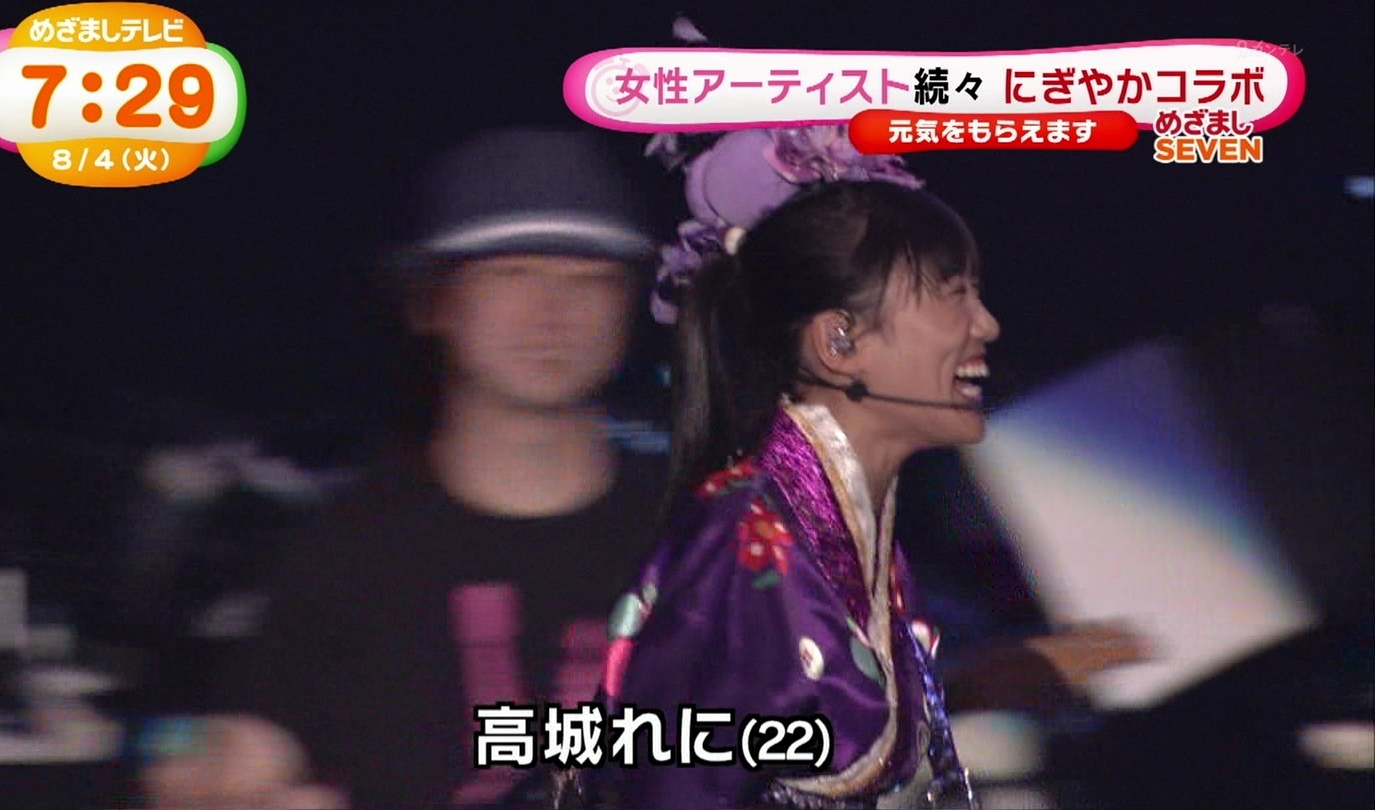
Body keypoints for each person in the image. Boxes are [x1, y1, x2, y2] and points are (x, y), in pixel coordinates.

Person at [559, 126, 1145, 810]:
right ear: (838, 342)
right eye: (949, 296)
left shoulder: (841, 528)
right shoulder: (752, 541)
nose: (984, 325)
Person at [141, 126, 667, 809]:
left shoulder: (705, 544)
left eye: (590, 280)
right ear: (432, 302)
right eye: (511, 274)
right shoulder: (346, 552)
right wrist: (200, 776)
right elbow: (239, 748)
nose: (552, 313)